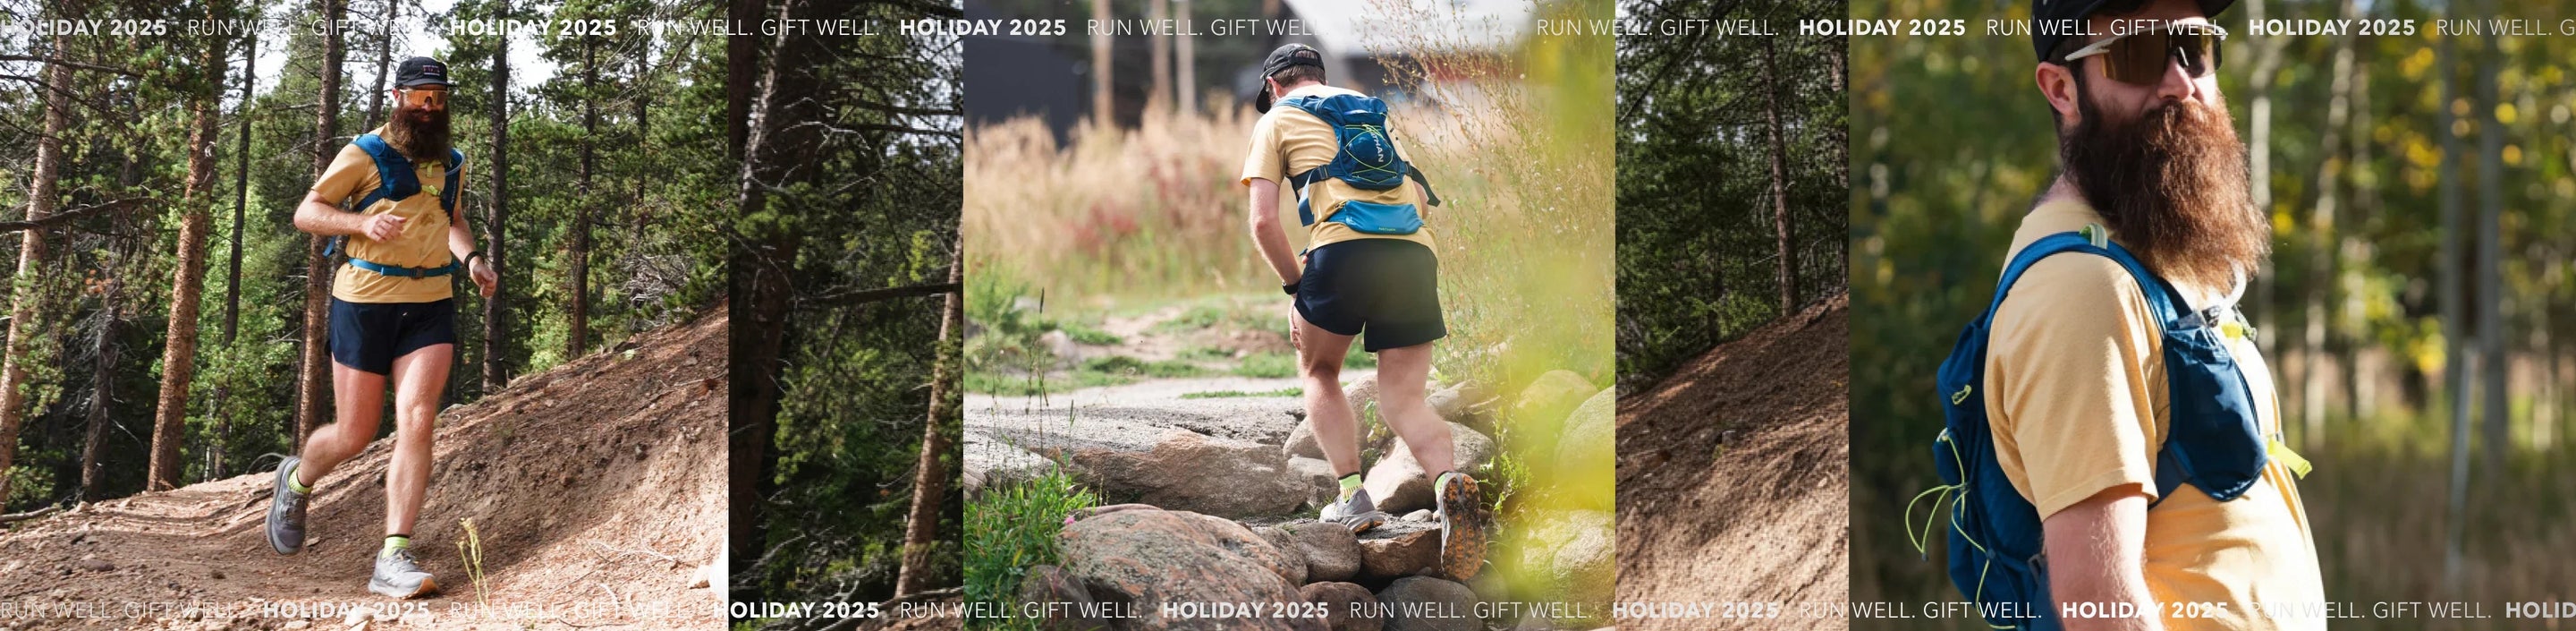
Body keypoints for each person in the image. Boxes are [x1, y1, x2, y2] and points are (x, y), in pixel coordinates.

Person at [1987, 0, 2325, 627]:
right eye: (2139, 55)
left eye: (2194, 48)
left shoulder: (2142, 254)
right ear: (2062, 88)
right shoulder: (2083, 288)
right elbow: (2099, 604)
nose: (2180, 81)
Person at [1238, 43, 1487, 581]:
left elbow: (1262, 222)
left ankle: (1353, 498)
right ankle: (1447, 485)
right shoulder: (1369, 110)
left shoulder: (1277, 119)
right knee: (1404, 399)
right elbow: (1417, 199)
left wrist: (1295, 286)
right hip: (1413, 255)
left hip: (1340, 252)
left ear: (1275, 86)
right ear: (1319, 77)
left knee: (1320, 369)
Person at [267, 55, 498, 600]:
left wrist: (472, 261)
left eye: (436, 99)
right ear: (398, 97)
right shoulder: (364, 152)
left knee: (418, 418)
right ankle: (297, 480)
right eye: (419, 97)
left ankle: (393, 554)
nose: (428, 107)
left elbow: (453, 221)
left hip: (429, 302)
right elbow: (308, 211)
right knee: (354, 434)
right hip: (364, 301)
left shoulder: (452, 161)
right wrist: (361, 222)